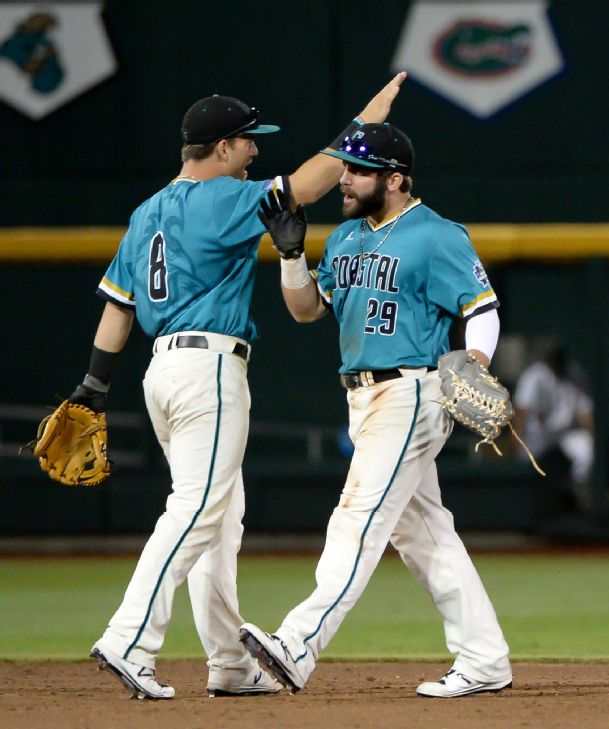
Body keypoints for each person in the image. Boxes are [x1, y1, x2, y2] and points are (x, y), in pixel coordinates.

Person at [83, 76, 406, 700]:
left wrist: (93, 385)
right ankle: (130, 636)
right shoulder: (221, 198)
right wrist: (366, 119)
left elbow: (118, 306)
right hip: (208, 370)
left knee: (220, 521)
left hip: (160, 374)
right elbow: (310, 183)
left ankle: (229, 665)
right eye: (248, 142)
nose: (255, 152)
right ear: (223, 147)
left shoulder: (147, 211)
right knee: (199, 510)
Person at [238, 123, 513, 699]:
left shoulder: (436, 235)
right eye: (345, 167)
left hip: (412, 392)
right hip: (361, 397)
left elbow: (481, 307)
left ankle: (297, 641)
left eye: (357, 170)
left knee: (357, 520)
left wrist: (475, 359)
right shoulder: (344, 238)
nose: (344, 177)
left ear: (395, 178)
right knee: (426, 535)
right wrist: (291, 255)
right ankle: (485, 659)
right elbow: (308, 311)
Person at [513, 345, 595, 506]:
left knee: (588, 450)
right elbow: (522, 411)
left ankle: (577, 487)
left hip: (566, 432)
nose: (555, 363)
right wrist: (516, 439)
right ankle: (526, 500)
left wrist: (593, 433)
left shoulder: (575, 374)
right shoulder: (535, 376)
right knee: (524, 457)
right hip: (539, 433)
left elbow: (585, 412)